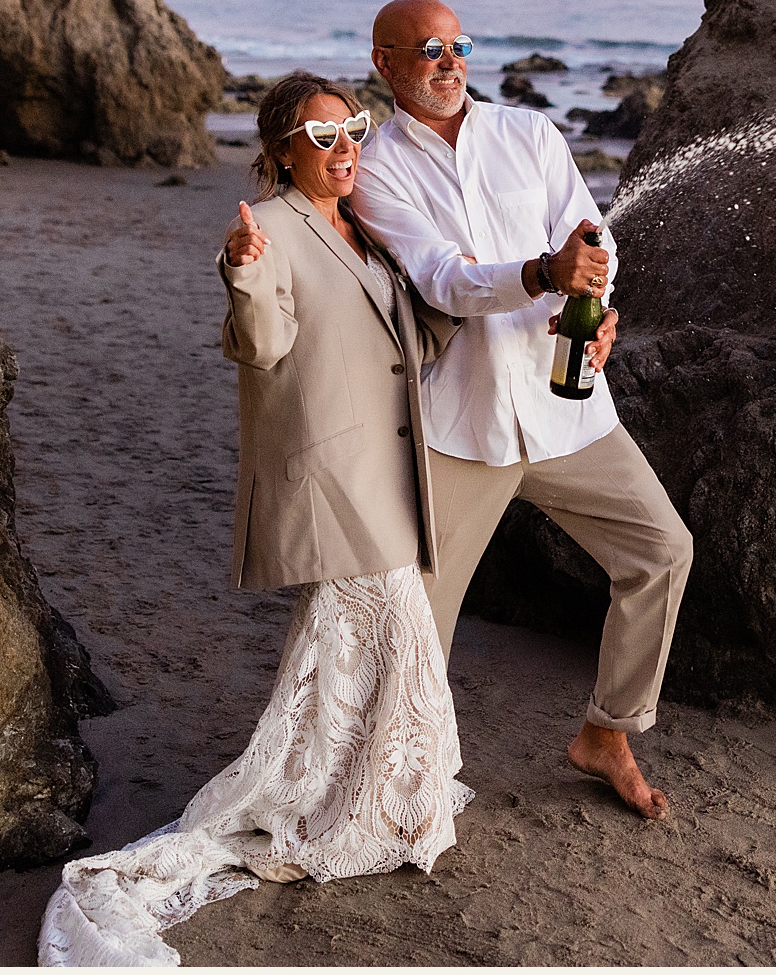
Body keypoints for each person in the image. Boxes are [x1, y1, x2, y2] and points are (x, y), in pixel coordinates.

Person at [39, 73, 467, 968]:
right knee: (389, 633)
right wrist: (241, 269)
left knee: (358, 649)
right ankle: (354, 808)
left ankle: (373, 797)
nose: (345, 146)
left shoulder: (366, 228)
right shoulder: (268, 229)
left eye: (353, 127)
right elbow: (265, 344)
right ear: (279, 151)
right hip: (331, 476)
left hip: (387, 472)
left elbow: (416, 343)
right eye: (321, 136)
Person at [352, 0, 693, 820]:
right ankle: (396, 784)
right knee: (417, 620)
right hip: (460, 423)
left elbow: (593, 237)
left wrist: (602, 301)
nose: (448, 59)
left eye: (457, 44)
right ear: (385, 65)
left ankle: (607, 733)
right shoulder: (376, 169)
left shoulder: (530, 134)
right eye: (426, 49)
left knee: (662, 552)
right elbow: (443, 278)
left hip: (567, 404)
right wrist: (540, 273)